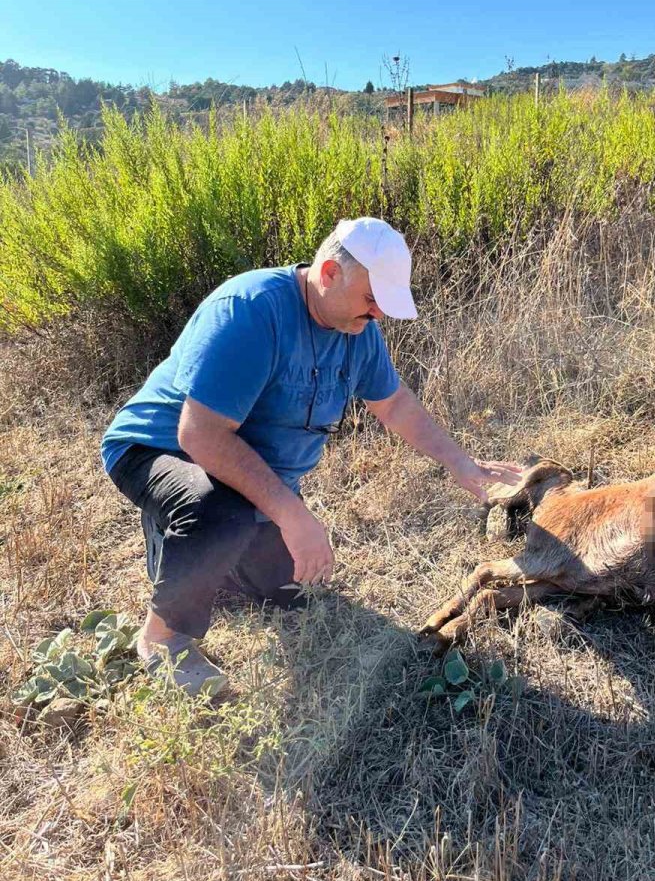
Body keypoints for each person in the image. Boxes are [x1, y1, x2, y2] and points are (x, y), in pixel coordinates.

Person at [101, 216, 523, 695]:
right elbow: (201, 436)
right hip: (159, 448)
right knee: (215, 512)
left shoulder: (357, 330)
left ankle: (197, 546)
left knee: (288, 589)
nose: (378, 314)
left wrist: (460, 462)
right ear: (328, 274)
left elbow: (395, 404)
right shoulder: (252, 310)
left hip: (234, 465)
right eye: (371, 300)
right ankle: (162, 639)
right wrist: (292, 512)